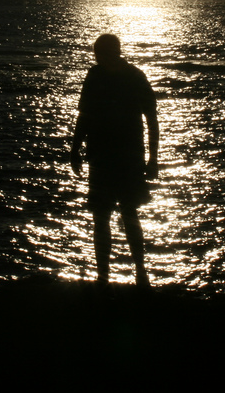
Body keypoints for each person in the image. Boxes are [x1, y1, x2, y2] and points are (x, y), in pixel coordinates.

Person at [71, 34, 158, 288]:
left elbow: (152, 119)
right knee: (102, 216)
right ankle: (104, 276)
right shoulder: (95, 75)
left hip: (127, 156)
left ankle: (140, 272)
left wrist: (153, 158)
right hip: (101, 156)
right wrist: (75, 149)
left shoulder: (134, 76)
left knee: (128, 214)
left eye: (101, 52)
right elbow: (84, 115)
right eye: (96, 53)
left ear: (114, 52)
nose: (98, 57)